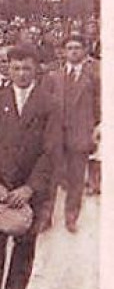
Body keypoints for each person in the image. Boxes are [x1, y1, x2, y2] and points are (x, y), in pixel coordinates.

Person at [0, 45, 60, 289]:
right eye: (16, 68)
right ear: (7, 69)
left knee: (24, 246)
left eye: (26, 68)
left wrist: (30, 188)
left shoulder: (49, 103)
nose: (21, 73)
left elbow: (51, 151)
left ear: (36, 68)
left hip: (28, 191)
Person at [42, 35, 100, 232]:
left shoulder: (92, 77)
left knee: (76, 180)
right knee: (50, 178)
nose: (73, 51)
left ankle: (71, 217)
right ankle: (46, 216)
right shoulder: (53, 77)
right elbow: (45, 106)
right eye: (69, 48)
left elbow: (99, 106)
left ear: (84, 51)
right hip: (57, 135)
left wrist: (95, 128)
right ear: (64, 51)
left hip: (80, 135)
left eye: (77, 48)